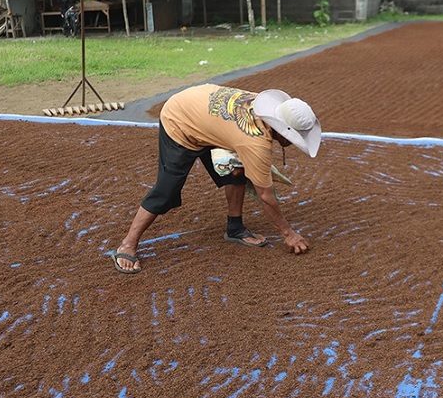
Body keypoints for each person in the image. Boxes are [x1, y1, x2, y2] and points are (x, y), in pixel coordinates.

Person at [112, 83, 321, 274]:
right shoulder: (255, 142)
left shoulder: (262, 107)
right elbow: (265, 196)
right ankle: (128, 244)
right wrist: (288, 233)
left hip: (204, 112)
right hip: (181, 120)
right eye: (295, 137)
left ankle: (235, 228)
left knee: (236, 168)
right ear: (282, 131)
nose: (294, 142)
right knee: (167, 191)